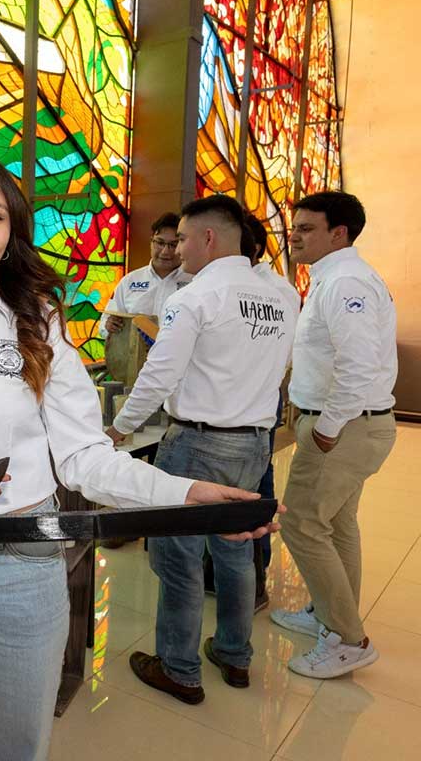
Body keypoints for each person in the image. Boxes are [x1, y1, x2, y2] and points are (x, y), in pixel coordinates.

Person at [0, 157, 277, 760]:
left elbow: (83, 457)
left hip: (21, 566)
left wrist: (186, 493)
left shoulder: (39, 326)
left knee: (15, 750)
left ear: (10, 235)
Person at [106, 194, 297, 704]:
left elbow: (158, 374)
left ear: (208, 238)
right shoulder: (280, 297)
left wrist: (120, 429)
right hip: (253, 443)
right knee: (235, 550)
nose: (178, 250)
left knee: (178, 559)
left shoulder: (194, 297)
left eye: (185, 239)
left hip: (197, 444)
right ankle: (235, 655)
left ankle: (179, 669)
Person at [270, 191, 397, 679]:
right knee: (338, 525)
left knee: (302, 524)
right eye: (294, 227)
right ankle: (329, 615)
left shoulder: (345, 282)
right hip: (350, 423)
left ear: (339, 233)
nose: (294, 237)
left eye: (306, 228)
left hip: (344, 426)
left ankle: (347, 638)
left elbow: (358, 365)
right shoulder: (334, 277)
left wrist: (326, 429)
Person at [203, 213, 301, 607]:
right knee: (228, 491)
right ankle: (223, 574)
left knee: (255, 489)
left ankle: (256, 577)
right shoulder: (227, 285)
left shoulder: (275, 291)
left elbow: (283, 354)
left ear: (250, 248)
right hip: (240, 402)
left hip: (253, 401)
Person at [99, 212, 194, 338]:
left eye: (173, 245)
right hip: (134, 350)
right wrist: (108, 325)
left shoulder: (194, 281)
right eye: (160, 243)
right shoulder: (129, 281)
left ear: (182, 246)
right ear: (151, 242)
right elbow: (104, 326)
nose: (165, 251)